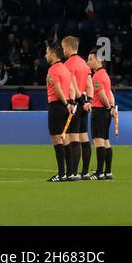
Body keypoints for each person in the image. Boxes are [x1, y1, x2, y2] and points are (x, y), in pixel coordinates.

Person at [60, 35, 93, 178]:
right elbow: (89, 85)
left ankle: (72, 172)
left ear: (68, 47)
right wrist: (88, 101)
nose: (63, 51)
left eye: (63, 48)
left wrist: (79, 101)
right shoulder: (84, 64)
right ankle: (84, 172)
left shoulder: (68, 65)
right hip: (84, 105)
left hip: (74, 104)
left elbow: (72, 85)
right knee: (84, 138)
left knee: (72, 139)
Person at [44, 44, 75, 183]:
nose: (46, 55)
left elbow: (57, 89)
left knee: (57, 139)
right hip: (66, 105)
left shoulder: (52, 70)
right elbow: (71, 88)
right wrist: (71, 103)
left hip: (57, 105)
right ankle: (69, 173)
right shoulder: (66, 69)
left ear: (53, 54)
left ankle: (61, 173)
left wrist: (66, 103)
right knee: (65, 139)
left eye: (47, 52)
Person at [87, 51, 116, 180]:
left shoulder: (97, 76)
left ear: (98, 60)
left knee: (98, 141)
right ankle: (108, 171)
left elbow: (102, 94)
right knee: (106, 141)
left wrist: (108, 106)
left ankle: (99, 172)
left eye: (90, 59)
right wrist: (112, 107)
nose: (88, 62)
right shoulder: (105, 75)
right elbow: (110, 93)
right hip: (106, 112)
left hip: (99, 111)